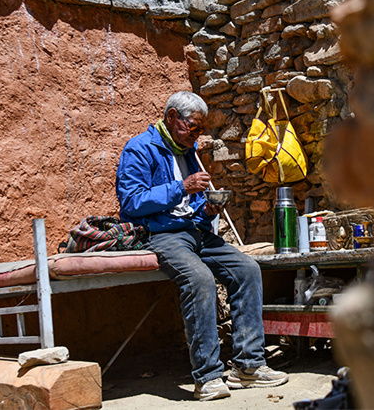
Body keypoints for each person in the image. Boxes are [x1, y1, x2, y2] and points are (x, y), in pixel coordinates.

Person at [115, 91, 289, 401]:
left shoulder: (187, 150)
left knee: (247, 269)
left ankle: (247, 367)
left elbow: (191, 207)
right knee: (199, 280)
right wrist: (181, 187)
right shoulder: (139, 149)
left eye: (200, 129)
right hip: (162, 234)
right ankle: (207, 376)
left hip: (194, 230)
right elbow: (131, 202)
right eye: (193, 127)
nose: (198, 135)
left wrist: (207, 209)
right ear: (171, 118)